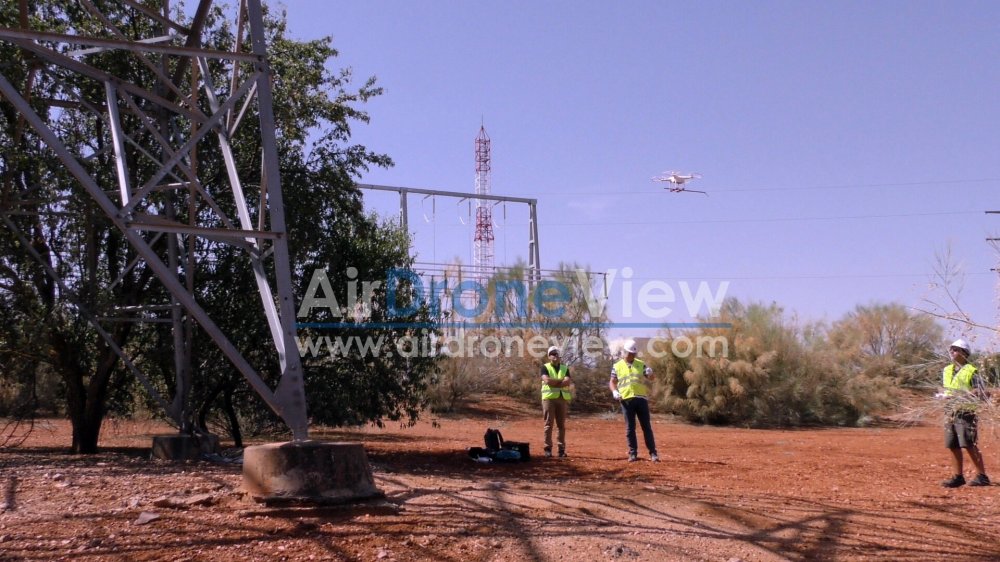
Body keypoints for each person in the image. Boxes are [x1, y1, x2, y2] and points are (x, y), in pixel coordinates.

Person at [940, 338, 991, 488]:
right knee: (952, 444)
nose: (952, 352)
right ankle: (958, 476)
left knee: (968, 443)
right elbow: (944, 387)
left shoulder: (972, 371)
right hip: (950, 410)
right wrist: (942, 395)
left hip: (966, 411)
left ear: (964, 353)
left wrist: (962, 395)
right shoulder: (947, 370)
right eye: (952, 349)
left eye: (956, 349)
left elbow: (981, 392)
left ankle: (982, 476)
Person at [609, 340, 659, 462]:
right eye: (630, 353)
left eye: (634, 353)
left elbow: (652, 378)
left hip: (641, 399)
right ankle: (633, 453)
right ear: (624, 352)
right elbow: (612, 381)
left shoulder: (641, 364)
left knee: (646, 427)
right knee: (630, 428)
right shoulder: (617, 366)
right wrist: (614, 391)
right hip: (626, 400)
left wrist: (651, 374)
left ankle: (653, 453)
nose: (632, 355)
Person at [541, 345, 572, 458]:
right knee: (548, 424)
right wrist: (560, 381)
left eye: (556, 353)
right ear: (549, 356)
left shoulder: (565, 368)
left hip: (562, 399)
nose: (555, 355)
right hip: (549, 398)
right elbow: (547, 381)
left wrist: (555, 382)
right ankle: (547, 449)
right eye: (552, 354)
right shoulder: (545, 367)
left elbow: (567, 382)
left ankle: (561, 450)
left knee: (561, 425)